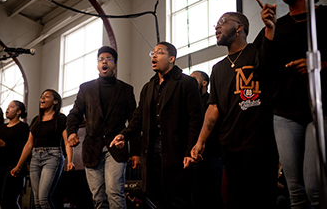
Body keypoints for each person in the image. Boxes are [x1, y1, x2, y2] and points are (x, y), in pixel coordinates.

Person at [191, 12, 278, 209]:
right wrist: (200, 141)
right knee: (238, 200)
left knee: (263, 199)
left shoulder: (256, 53)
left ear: (239, 27)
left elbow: (270, 63)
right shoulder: (218, 68)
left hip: (260, 143)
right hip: (230, 146)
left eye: (223, 22)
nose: (217, 27)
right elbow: (213, 107)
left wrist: (270, 27)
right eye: (217, 23)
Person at [255, 0, 327, 208]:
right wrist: (269, 29)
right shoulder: (278, 25)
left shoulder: (323, 16)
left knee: (316, 189)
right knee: (295, 191)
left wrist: (319, 63)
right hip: (285, 114)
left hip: (319, 109)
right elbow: (264, 70)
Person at [110, 41, 203, 209]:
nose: (154, 55)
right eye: (152, 53)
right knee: (154, 200)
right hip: (151, 153)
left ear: (172, 58)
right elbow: (138, 118)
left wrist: (190, 150)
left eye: (159, 52)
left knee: (177, 200)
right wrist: (124, 134)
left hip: (177, 153)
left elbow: (195, 120)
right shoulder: (148, 88)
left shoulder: (186, 83)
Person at [66, 46, 137, 209]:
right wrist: (71, 132)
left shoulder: (126, 89)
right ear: (98, 65)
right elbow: (75, 114)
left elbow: (134, 121)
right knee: (98, 197)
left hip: (116, 148)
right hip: (92, 148)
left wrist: (135, 152)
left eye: (109, 59)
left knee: (114, 192)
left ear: (115, 66)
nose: (105, 61)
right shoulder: (86, 88)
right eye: (101, 59)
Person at [11, 89, 74, 209]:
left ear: (55, 101)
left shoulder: (60, 118)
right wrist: (18, 166)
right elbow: (29, 145)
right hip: (35, 158)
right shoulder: (36, 120)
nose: (42, 99)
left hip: (52, 157)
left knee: (44, 198)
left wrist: (69, 160)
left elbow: (67, 141)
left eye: (46, 96)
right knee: (37, 201)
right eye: (41, 96)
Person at [190, 70, 223, 209]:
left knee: (214, 195)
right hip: (194, 157)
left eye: (194, 78)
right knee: (196, 196)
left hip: (214, 155)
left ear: (204, 83)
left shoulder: (213, 102)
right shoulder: (189, 103)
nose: (190, 81)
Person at [0, 100, 29, 209]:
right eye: (7, 107)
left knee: (9, 199)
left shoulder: (23, 127)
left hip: (14, 166)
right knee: (1, 198)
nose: (7, 109)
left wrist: (5, 144)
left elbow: (24, 148)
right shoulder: (1, 128)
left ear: (18, 111)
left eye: (11, 107)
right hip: (1, 166)